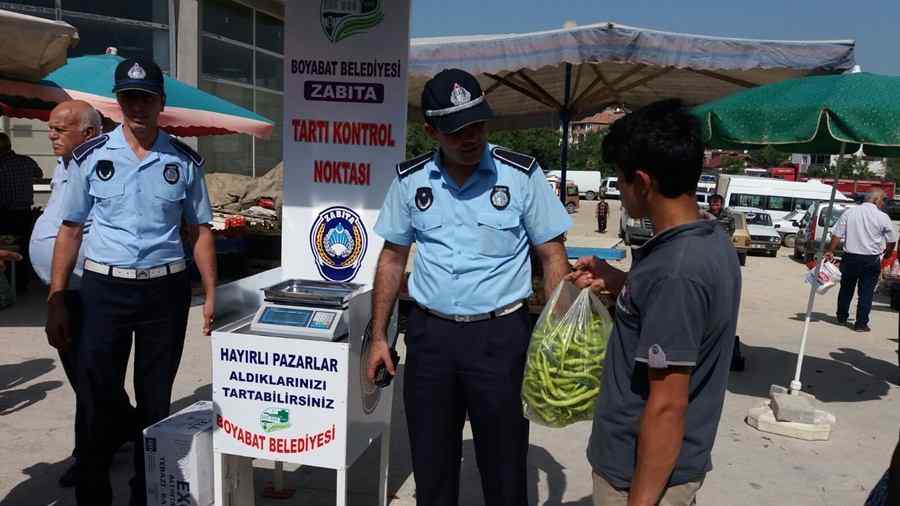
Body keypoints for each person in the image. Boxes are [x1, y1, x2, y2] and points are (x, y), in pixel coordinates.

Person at [366, 68, 571, 506]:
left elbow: (553, 255)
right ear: (431, 130)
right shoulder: (411, 181)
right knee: (432, 465)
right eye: (456, 129)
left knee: (504, 466)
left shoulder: (521, 174)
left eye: (477, 123)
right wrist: (379, 336)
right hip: (430, 338)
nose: (470, 137)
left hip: (500, 339)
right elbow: (391, 259)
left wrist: (555, 336)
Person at [45, 57, 217, 506]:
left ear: (161, 102)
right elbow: (71, 228)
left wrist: (212, 292)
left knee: (155, 400)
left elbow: (199, 230)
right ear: (119, 104)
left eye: (146, 98)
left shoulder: (182, 160)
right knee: (96, 399)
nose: (137, 106)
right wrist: (57, 296)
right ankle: (93, 495)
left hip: (166, 292)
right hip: (104, 291)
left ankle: (146, 494)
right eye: (128, 98)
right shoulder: (91, 157)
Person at [568, 99, 741, 506]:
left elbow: (667, 405)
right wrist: (621, 282)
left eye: (620, 180)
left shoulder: (677, 272)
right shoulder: (706, 236)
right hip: (654, 468)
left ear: (642, 182)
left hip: (639, 475)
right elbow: (672, 313)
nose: (619, 191)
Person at [30, 100, 137, 488]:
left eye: (60, 129)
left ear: (89, 134)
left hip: (95, 291)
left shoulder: (107, 167)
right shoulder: (65, 166)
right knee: (84, 376)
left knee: (91, 379)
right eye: (51, 128)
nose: (51, 135)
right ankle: (128, 426)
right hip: (64, 291)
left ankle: (91, 454)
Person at [825, 189, 898, 332]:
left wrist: (830, 250)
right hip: (870, 260)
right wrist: (888, 254)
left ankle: (841, 316)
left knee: (846, 289)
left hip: (850, 258)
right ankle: (861, 323)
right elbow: (892, 240)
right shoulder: (882, 217)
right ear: (876, 200)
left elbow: (837, 234)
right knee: (866, 292)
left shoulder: (850, 213)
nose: (883, 203)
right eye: (883, 200)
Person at [0, 132, 43, 292]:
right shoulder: (26, 161)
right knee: (23, 249)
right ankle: (21, 285)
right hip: (24, 213)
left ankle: (6, 286)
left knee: (4, 250)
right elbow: (39, 174)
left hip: (4, 214)